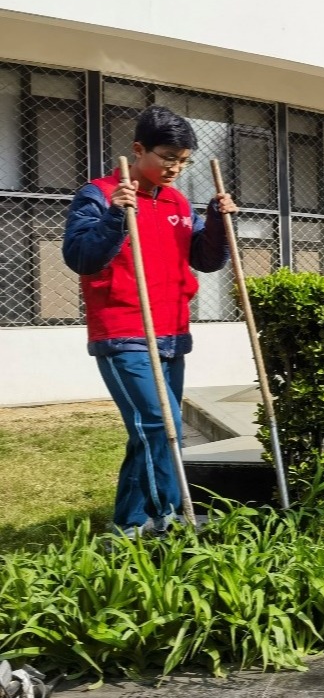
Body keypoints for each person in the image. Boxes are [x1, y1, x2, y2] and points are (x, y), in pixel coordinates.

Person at [62, 105, 237, 538]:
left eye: (183, 161)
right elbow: (80, 256)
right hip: (123, 333)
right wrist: (115, 218)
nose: (175, 168)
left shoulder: (177, 201)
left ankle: (129, 523)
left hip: (172, 333)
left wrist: (216, 221)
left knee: (149, 430)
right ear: (138, 149)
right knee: (161, 425)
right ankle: (164, 519)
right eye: (167, 157)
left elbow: (206, 259)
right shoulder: (100, 194)